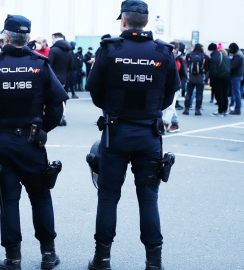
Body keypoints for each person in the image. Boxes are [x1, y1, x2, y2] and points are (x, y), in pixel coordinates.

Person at [0, 14, 69, 270]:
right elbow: (57, 106)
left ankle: (13, 258)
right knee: (41, 196)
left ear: (7, 37)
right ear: (28, 37)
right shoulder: (40, 64)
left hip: (2, 140)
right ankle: (48, 254)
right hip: (33, 142)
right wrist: (43, 129)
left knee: (9, 200)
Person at [85, 1, 181, 269]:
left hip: (115, 132)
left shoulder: (109, 49)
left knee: (107, 197)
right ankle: (154, 262)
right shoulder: (163, 51)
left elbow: (93, 89)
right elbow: (170, 92)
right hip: (148, 133)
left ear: (124, 21)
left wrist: (113, 107)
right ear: (146, 22)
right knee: (148, 198)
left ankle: (102, 259)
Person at [162, 41, 186, 132]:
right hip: (167, 85)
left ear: (176, 50)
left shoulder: (180, 59)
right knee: (170, 106)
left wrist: (179, 86)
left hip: (176, 86)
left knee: (170, 106)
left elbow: (184, 75)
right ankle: (175, 124)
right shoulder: (167, 57)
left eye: (172, 49)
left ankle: (164, 124)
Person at [182, 43, 209, 116]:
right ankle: (197, 110)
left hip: (190, 77)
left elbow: (186, 65)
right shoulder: (205, 56)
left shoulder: (189, 55)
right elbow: (207, 68)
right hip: (200, 77)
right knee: (199, 95)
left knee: (188, 93)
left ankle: (186, 109)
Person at [207, 43, 231, 116]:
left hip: (218, 78)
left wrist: (209, 77)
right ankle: (225, 109)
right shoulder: (223, 55)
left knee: (218, 94)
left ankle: (220, 111)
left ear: (211, 50)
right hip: (226, 77)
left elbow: (213, 71)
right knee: (224, 94)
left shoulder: (214, 57)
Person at [228, 42, 244, 115]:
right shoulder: (240, 53)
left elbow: (233, 66)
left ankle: (237, 109)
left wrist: (227, 69)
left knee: (236, 93)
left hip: (235, 76)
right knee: (236, 92)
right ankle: (235, 108)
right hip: (239, 75)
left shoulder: (237, 55)